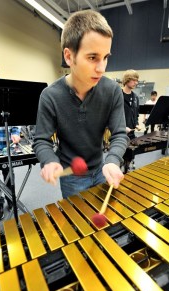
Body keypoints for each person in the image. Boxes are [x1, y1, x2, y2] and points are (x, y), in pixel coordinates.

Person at [33, 10, 129, 199]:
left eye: (106, 57)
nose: (102, 68)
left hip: (103, 169)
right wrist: (49, 160)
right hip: (72, 178)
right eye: (93, 58)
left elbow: (119, 134)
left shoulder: (112, 91)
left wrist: (112, 160)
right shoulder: (50, 96)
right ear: (69, 57)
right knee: (78, 226)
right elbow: (42, 140)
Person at [0, 58, 21, 221]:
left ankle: (11, 199)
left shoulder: (6, 95)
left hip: (7, 147)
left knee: (10, 178)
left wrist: (16, 132)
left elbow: (17, 120)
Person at [122, 69, 141, 141]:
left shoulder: (135, 97)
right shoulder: (118, 95)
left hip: (132, 134)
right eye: (134, 80)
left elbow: (136, 114)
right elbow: (111, 115)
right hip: (119, 133)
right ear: (127, 80)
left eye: (137, 80)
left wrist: (136, 124)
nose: (136, 83)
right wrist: (122, 127)